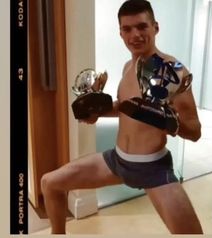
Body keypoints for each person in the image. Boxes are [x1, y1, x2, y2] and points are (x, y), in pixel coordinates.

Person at [41, 0, 203, 234]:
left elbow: (195, 131)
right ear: (120, 33)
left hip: (153, 168)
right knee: (50, 183)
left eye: (141, 26)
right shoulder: (130, 65)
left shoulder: (175, 72)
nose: (135, 35)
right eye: (127, 29)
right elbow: (126, 107)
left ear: (155, 27)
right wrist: (98, 111)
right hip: (118, 161)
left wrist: (165, 120)